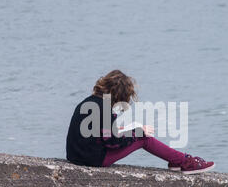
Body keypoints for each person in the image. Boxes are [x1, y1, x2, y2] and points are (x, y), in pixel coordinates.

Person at [66, 70, 215, 174]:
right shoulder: (104, 108)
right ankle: (184, 162)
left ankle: (176, 160)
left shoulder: (89, 102)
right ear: (120, 95)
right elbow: (112, 141)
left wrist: (128, 129)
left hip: (77, 156)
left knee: (137, 131)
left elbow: (100, 133)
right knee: (144, 138)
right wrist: (138, 132)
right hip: (93, 159)